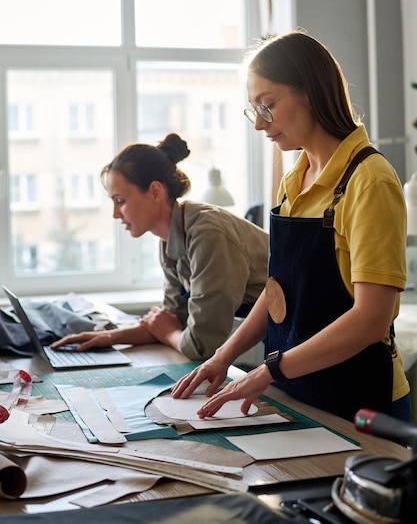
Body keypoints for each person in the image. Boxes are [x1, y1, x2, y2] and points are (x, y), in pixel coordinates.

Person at [171, 31, 411, 423]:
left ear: (311, 92)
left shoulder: (369, 180)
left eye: (267, 105)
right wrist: (223, 357)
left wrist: (269, 370)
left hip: (360, 400)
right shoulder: (293, 179)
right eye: (254, 110)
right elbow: (278, 290)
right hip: (296, 391)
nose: (259, 124)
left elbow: (371, 320)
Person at [51, 133, 269, 361]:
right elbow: (172, 318)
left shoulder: (208, 234)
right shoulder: (170, 237)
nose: (116, 214)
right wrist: (108, 337)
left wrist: (168, 333)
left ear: (155, 191)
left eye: (121, 201)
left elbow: (201, 345)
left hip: (302, 330)